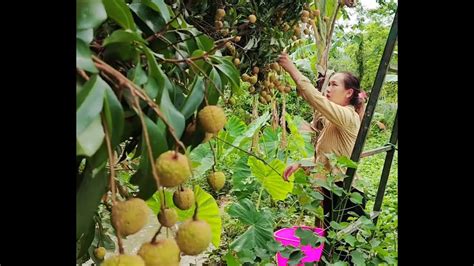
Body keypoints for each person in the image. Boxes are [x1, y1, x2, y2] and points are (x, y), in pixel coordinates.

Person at [278, 52, 368, 261]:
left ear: (348, 93)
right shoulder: (335, 120)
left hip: (346, 196)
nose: (328, 89)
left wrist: (291, 67)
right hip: (333, 192)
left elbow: (315, 98)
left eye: (334, 84)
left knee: (341, 254)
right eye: (329, 84)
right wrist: (301, 163)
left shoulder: (347, 116)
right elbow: (330, 157)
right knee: (334, 250)